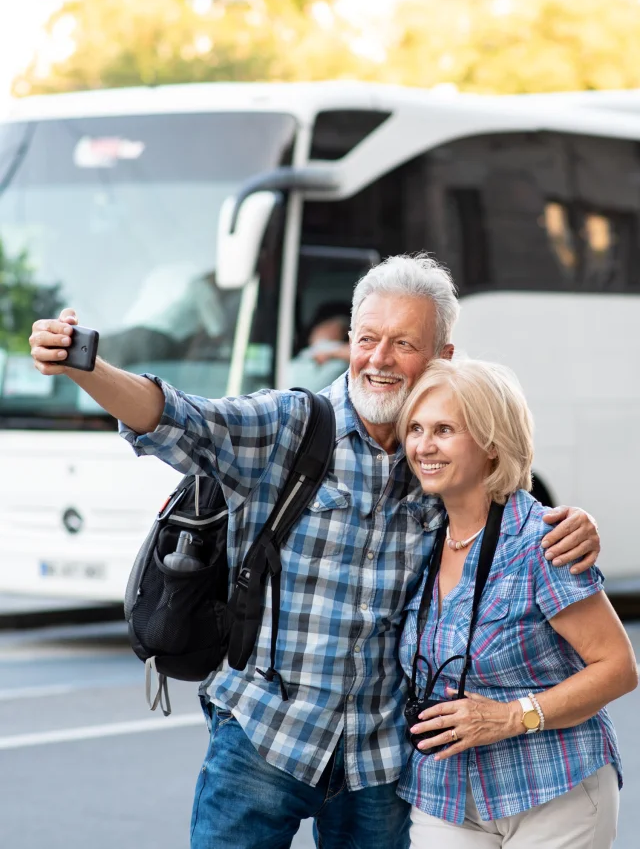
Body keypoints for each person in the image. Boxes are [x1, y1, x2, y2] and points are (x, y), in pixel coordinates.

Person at [28, 254, 601, 849]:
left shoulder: (438, 456)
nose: (379, 359)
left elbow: (506, 510)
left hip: (379, 758)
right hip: (263, 735)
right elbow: (177, 416)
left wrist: (577, 524)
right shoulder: (289, 425)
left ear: (443, 357)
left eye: (403, 343)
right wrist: (86, 367)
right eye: (367, 339)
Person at [396, 358, 637, 849]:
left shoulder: (542, 542)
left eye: (444, 430)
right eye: (416, 429)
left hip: (554, 787)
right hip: (444, 793)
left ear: (491, 442)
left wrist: (511, 717)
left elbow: (619, 668)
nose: (423, 445)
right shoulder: (416, 536)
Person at [287, 301, 351, 392]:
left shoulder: (339, 364)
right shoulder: (304, 356)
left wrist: (330, 353)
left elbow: (359, 353)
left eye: (341, 327)